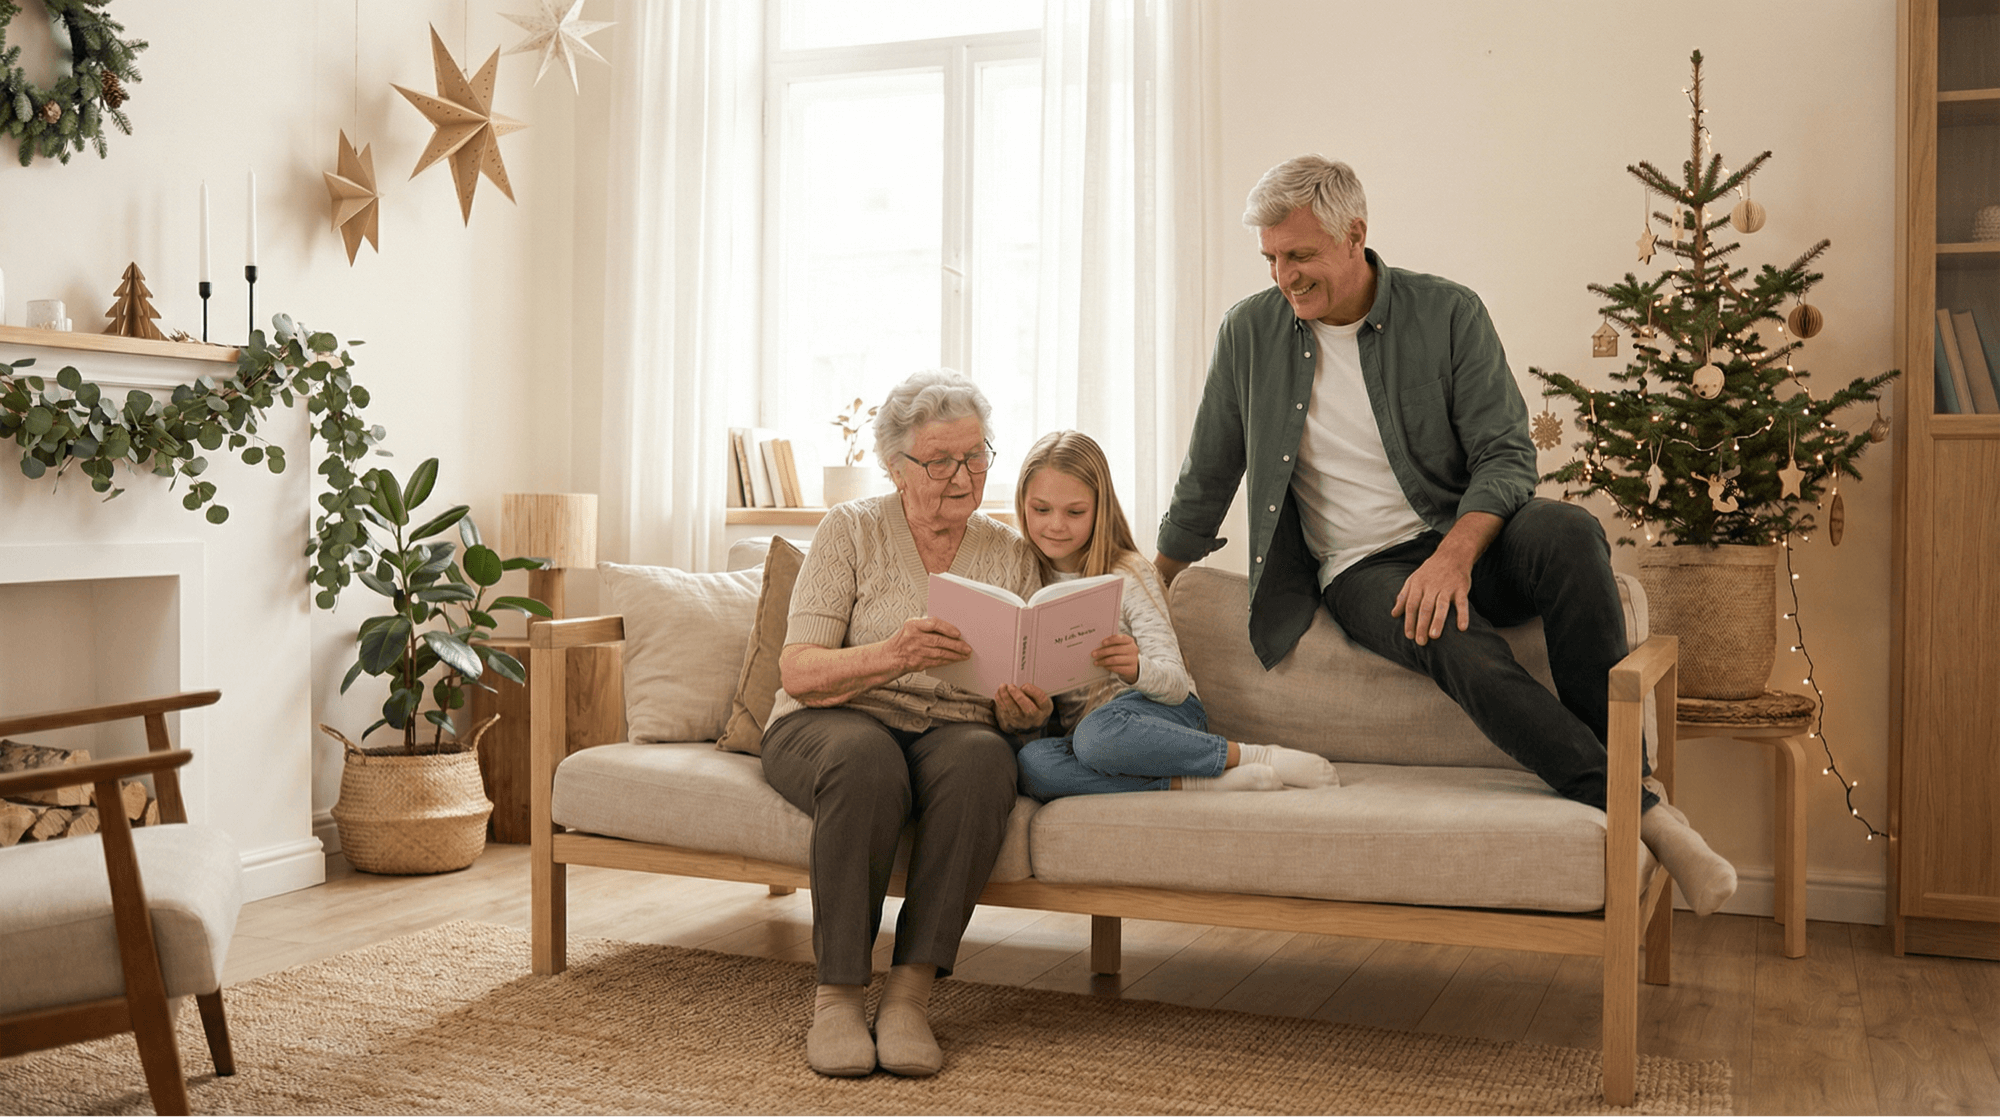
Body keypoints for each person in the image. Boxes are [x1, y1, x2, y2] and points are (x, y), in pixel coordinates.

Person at [1152, 155, 1738, 915]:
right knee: (1452, 637)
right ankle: (1647, 814)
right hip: (1360, 568)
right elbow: (1207, 477)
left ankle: (1623, 790)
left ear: (1354, 233)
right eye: (1270, 258)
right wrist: (1147, 580)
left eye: (1299, 255)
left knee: (1569, 532)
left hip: (1465, 534)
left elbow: (1507, 454)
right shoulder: (1250, 335)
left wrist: (1454, 555)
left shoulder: (1448, 313)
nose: (1283, 278)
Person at [762, 369, 1049, 1079]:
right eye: (940, 460)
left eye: (975, 456)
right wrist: (893, 654)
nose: (962, 475)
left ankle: (909, 997)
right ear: (895, 467)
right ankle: (836, 997)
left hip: (952, 728)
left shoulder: (1010, 551)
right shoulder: (850, 529)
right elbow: (797, 669)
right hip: (831, 719)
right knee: (866, 760)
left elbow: (1030, 670)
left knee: (986, 759)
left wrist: (1028, 707)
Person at [1011, 430, 1337, 799]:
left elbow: (1175, 684)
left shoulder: (1129, 574)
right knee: (1032, 763)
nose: (1055, 524)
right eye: (1041, 509)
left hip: (1164, 715)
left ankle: (1252, 755)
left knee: (1094, 737)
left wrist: (1135, 669)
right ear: (1022, 504)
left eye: (1074, 512)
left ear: (1100, 510)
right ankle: (1195, 782)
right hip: (1095, 739)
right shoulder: (1023, 576)